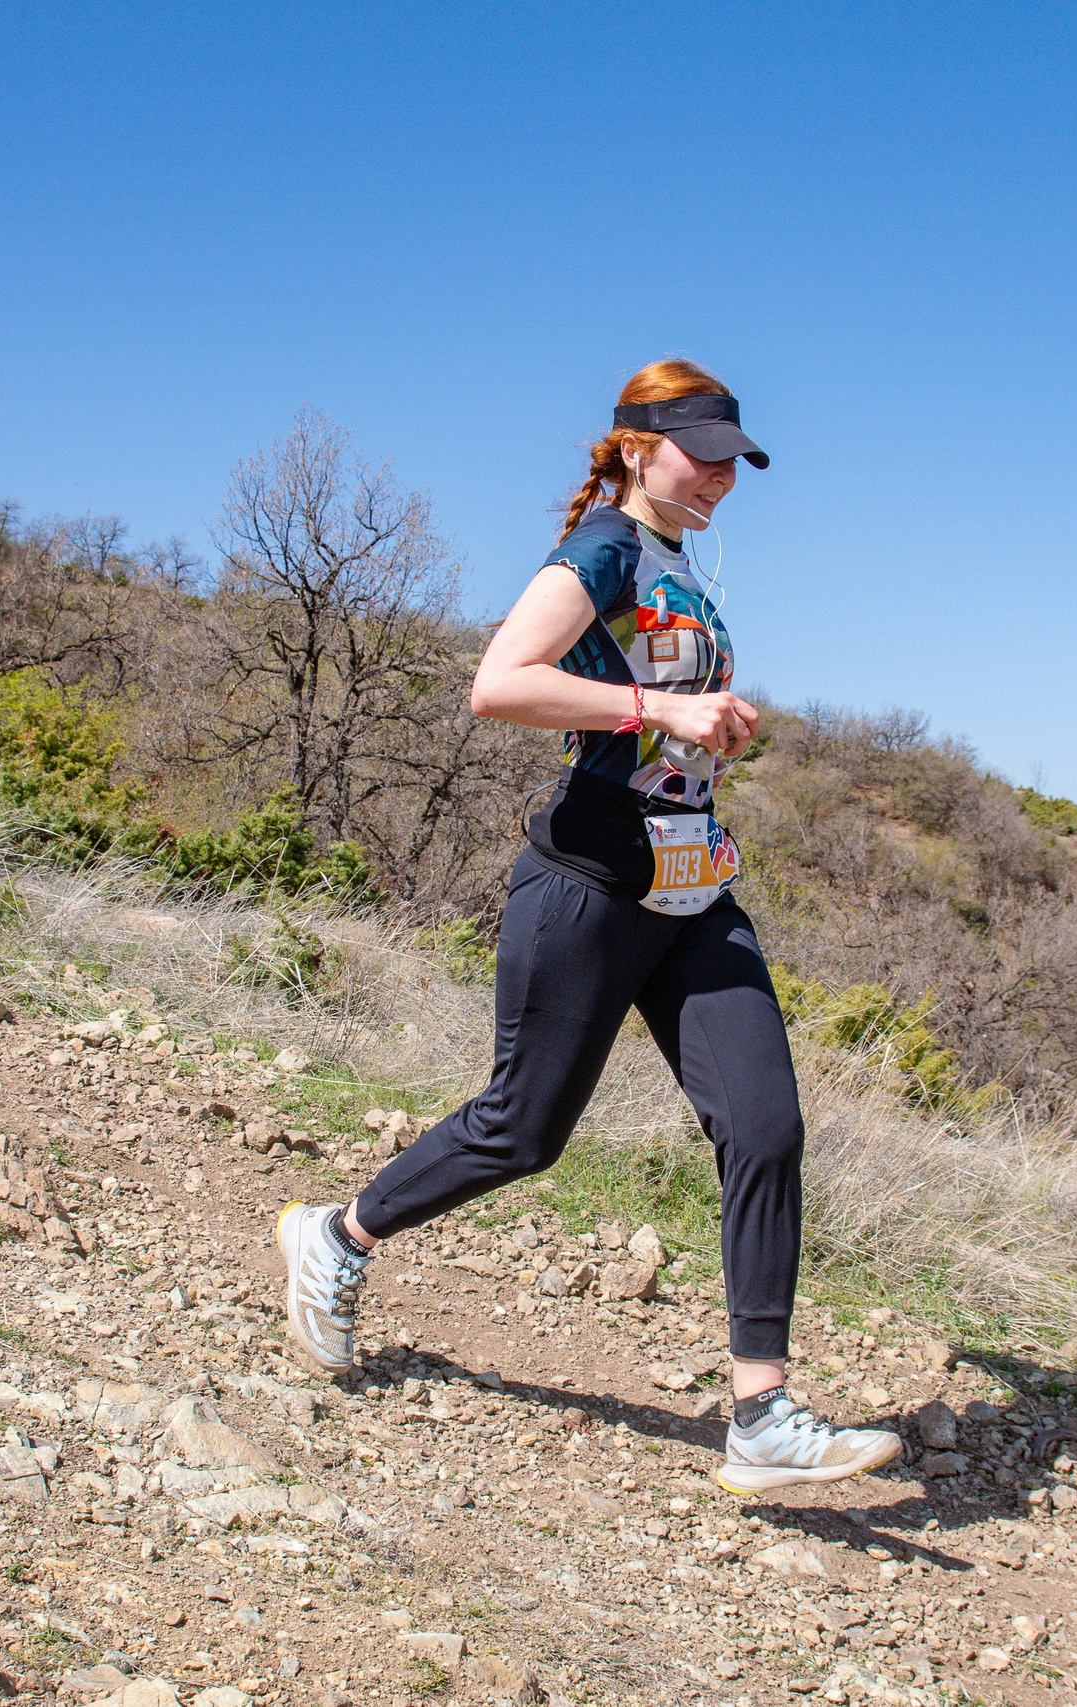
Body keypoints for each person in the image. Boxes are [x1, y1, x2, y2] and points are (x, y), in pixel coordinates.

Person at [278, 359, 901, 1494]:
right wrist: (665, 708)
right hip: (590, 883)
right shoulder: (606, 552)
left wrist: (705, 728)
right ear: (629, 446)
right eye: (698, 451)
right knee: (523, 1129)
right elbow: (500, 682)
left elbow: (649, 709)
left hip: (696, 888)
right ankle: (338, 1237)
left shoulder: (676, 567)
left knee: (764, 1125)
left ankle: (759, 1413)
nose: (718, 475)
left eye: (732, 459)